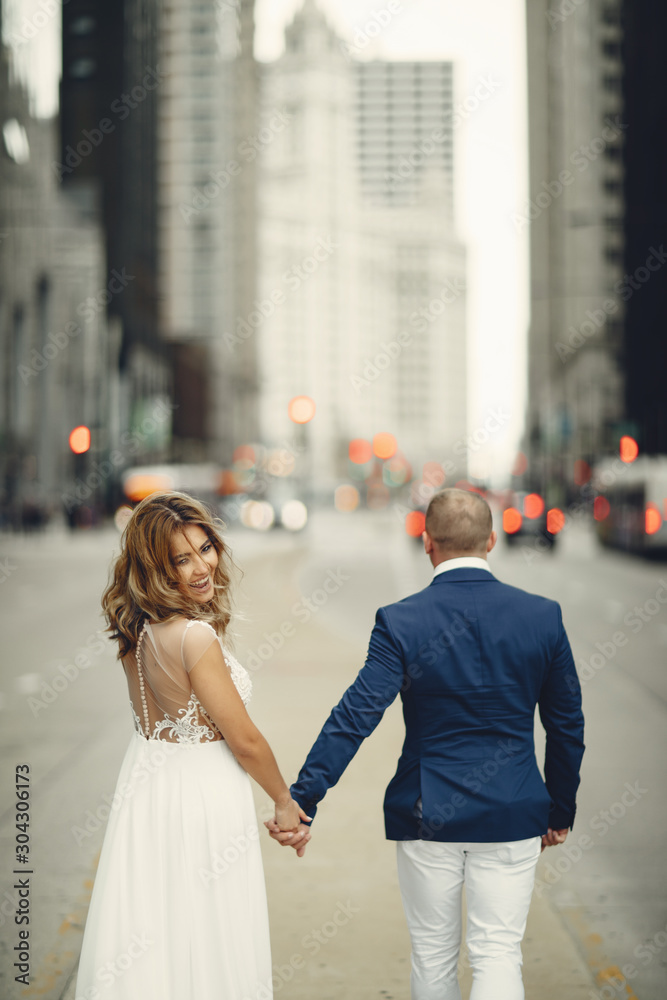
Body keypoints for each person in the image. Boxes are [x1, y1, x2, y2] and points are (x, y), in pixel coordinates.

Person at [267, 487, 585, 1000]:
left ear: (426, 542)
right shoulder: (541, 616)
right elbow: (566, 724)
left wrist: (303, 798)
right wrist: (559, 809)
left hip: (427, 809)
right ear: (492, 541)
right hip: (514, 809)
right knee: (498, 951)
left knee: (433, 955)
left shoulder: (402, 620)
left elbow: (356, 715)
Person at [75, 491, 310, 1000]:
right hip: (201, 794)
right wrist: (284, 802)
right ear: (157, 568)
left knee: (156, 933)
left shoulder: (135, 629)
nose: (202, 566)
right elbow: (244, 739)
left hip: (148, 790)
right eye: (182, 559)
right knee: (209, 932)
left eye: (205, 548)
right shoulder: (193, 637)